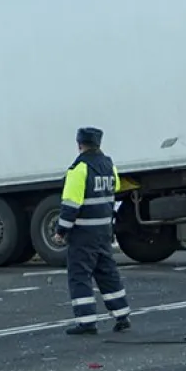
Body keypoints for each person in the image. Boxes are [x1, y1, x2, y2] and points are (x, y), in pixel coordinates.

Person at [54, 126, 132, 335]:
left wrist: (61, 231)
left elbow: (71, 205)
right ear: (98, 144)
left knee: (79, 276)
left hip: (83, 234)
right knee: (107, 273)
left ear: (80, 144)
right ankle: (122, 316)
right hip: (103, 232)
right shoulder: (108, 165)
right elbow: (114, 189)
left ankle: (86, 322)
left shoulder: (79, 169)